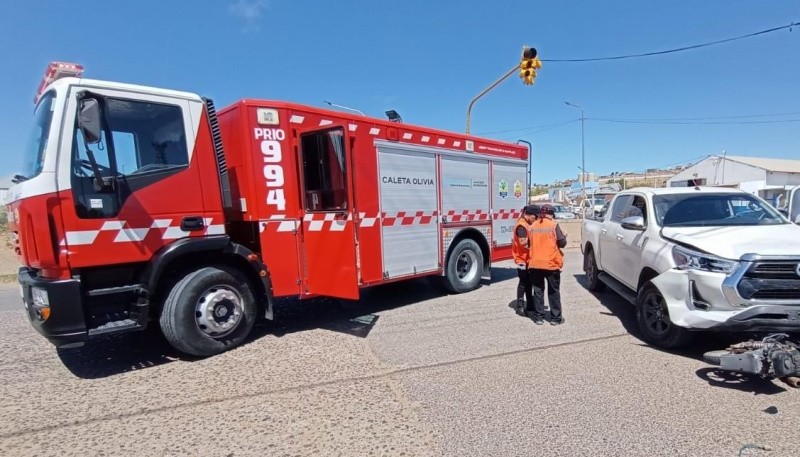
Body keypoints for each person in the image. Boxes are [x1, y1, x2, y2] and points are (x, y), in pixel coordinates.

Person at [528, 204, 567, 325]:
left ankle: (539, 317)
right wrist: (565, 236)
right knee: (553, 291)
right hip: (550, 264)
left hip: (535, 263)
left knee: (538, 291)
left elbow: (529, 243)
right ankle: (555, 318)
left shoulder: (533, 226)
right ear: (551, 214)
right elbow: (562, 243)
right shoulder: (553, 225)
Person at [511, 205, 539, 315]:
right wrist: (536, 239)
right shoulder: (521, 226)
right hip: (521, 260)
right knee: (523, 282)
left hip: (527, 259)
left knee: (529, 283)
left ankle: (530, 305)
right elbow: (523, 242)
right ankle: (520, 307)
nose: (536, 220)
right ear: (530, 215)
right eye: (535, 217)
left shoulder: (527, 224)